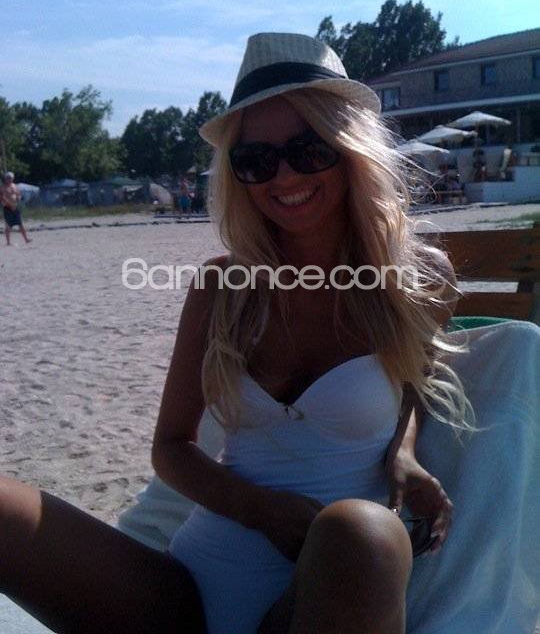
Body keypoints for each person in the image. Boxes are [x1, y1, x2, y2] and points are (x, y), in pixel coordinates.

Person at [0, 33, 535, 634]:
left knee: (362, 532)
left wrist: (403, 454)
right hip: (193, 586)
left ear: (351, 149)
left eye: (308, 149)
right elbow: (171, 448)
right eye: (255, 159)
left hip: (330, 585)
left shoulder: (416, 280)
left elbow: (414, 380)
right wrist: (261, 510)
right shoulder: (222, 288)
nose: (283, 175)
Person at [0, 171, 32, 245]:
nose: (9, 179)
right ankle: (8, 242)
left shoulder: (14, 186)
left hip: (15, 206)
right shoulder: (2, 187)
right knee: (8, 225)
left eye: (10, 178)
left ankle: (26, 239)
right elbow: (2, 197)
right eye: (8, 178)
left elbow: (18, 194)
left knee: (20, 224)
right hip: (7, 207)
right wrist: (9, 204)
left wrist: (19, 198)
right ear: (5, 178)